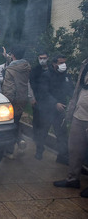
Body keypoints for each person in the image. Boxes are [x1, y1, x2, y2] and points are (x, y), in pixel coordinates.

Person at [53, 57, 88, 198]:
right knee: (74, 148)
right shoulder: (85, 63)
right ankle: (73, 179)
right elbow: (78, 89)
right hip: (79, 114)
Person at [36, 54, 74, 165]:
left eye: (64, 62)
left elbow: (70, 90)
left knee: (62, 134)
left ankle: (62, 156)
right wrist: (54, 103)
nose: (64, 65)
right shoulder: (46, 75)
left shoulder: (66, 76)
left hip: (60, 110)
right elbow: (43, 92)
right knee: (43, 132)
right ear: (54, 64)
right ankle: (39, 151)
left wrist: (74, 99)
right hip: (47, 109)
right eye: (61, 63)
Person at [1, 48, 31, 159]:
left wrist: (6, 102)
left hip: (12, 100)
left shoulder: (10, 70)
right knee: (16, 122)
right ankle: (20, 140)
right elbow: (15, 62)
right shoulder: (25, 67)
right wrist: (6, 56)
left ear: (13, 55)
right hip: (22, 99)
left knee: (10, 125)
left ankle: (9, 151)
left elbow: (9, 88)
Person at [29, 52, 50, 160]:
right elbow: (30, 84)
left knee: (45, 126)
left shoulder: (52, 69)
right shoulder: (35, 70)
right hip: (37, 102)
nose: (42, 60)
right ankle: (39, 147)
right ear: (38, 58)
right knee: (37, 125)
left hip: (49, 103)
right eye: (40, 58)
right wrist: (32, 98)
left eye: (44, 58)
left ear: (48, 58)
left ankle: (40, 146)